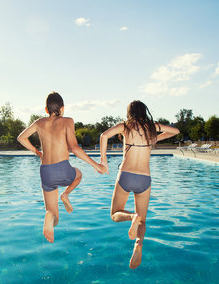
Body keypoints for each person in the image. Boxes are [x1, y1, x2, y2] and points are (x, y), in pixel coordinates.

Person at [100, 100, 180, 269]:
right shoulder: (151, 128)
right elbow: (175, 131)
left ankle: (131, 217)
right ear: (144, 111)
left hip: (126, 175)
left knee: (115, 214)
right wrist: (156, 131)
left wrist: (103, 159)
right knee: (143, 220)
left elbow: (104, 136)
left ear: (130, 113)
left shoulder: (126, 126)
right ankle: (138, 244)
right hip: (144, 178)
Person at [18, 92, 106, 243]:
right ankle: (65, 195)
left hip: (45, 172)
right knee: (79, 174)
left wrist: (37, 152)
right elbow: (75, 148)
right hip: (62, 169)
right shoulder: (67, 121)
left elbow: (21, 138)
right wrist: (97, 165)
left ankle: (49, 217)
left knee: (55, 217)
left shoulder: (39, 122)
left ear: (46, 110)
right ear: (63, 108)